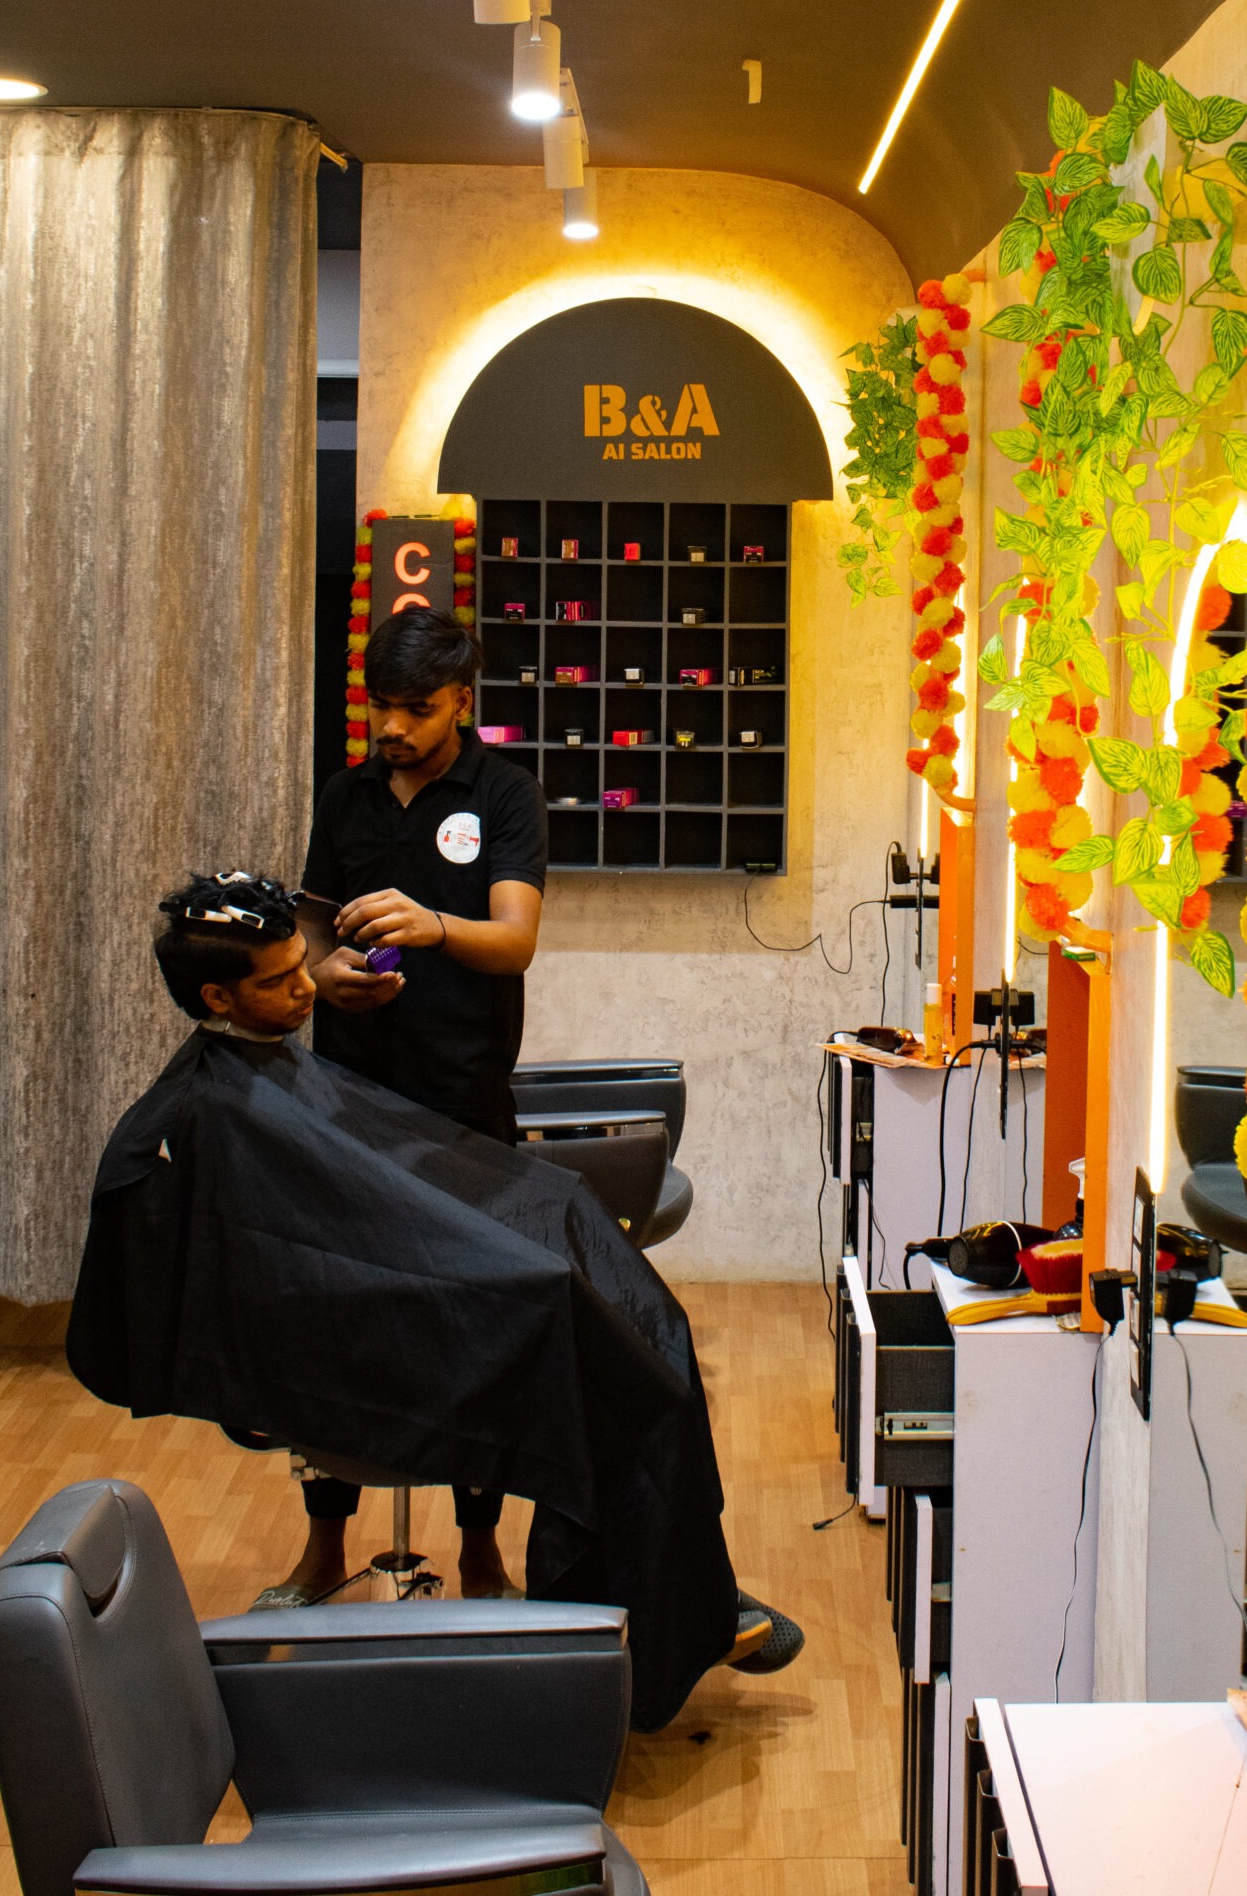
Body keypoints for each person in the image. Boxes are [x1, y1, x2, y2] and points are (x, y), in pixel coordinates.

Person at [65, 872, 802, 1730]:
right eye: (282, 979)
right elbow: (289, 1270)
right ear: (217, 997)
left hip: (428, 1285)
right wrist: (500, 1278)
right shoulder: (205, 1113)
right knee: (604, 1366)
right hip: (368, 1341)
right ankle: (670, 1613)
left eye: (304, 964)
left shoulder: (267, 1069)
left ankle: (675, 1601)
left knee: (642, 1330)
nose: (309, 986)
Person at [289, 606, 546, 1604]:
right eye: (380, 706)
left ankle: (482, 1549)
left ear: (461, 702)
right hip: (349, 1101)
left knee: (475, 1333)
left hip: (463, 1105)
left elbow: (515, 940)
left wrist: (435, 924)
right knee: (341, 1332)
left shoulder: (505, 795)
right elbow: (312, 927)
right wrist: (324, 974)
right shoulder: (345, 795)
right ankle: (323, 1546)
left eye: (417, 708)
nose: (392, 726)